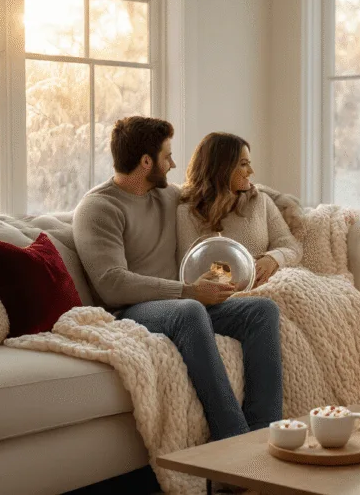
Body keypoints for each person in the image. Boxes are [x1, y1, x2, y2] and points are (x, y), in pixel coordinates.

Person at [72, 117, 284, 449]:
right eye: (167, 156)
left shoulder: (167, 196)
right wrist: (189, 291)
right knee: (189, 311)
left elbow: (217, 186)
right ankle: (235, 446)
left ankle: (264, 437)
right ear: (146, 162)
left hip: (182, 304)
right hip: (131, 311)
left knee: (262, 311)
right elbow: (112, 284)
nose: (173, 164)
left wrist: (273, 200)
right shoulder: (99, 208)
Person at [176, 132, 302, 287]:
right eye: (243, 164)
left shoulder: (260, 202)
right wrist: (241, 276)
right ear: (221, 168)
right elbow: (191, 267)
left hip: (268, 285)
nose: (251, 171)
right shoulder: (188, 212)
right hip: (222, 294)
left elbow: (292, 248)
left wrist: (273, 259)